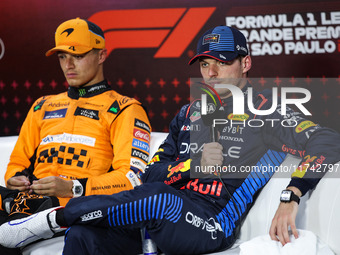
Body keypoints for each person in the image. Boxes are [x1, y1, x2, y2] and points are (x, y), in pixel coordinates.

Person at [1, 25, 340, 254]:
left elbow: (326, 141)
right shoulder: (189, 113)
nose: (211, 74)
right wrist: (193, 165)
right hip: (155, 217)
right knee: (84, 236)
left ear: (245, 63)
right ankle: (60, 225)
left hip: (211, 222)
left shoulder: (267, 110)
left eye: (222, 63)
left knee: (161, 198)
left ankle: (46, 221)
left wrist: (290, 195)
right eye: (205, 64)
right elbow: (151, 173)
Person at [0, 18, 150, 254]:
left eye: (77, 56)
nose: (68, 64)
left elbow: (132, 178)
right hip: (31, 206)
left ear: (101, 55)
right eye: (62, 57)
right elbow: (17, 164)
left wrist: (73, 187)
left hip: (83, 208)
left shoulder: (125, 108)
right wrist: (16, 179)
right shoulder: (42, 105)